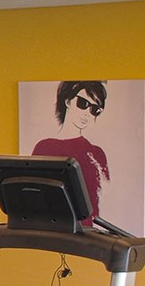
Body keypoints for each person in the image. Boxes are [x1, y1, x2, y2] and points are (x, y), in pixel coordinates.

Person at [31, 80, 109, 223]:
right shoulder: (45, 147)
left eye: (94, 110)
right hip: (54, 231)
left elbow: (101, 203)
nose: (87, 114)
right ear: (68, 101)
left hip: (90, 233)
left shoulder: (96, 153)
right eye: (83, 103)